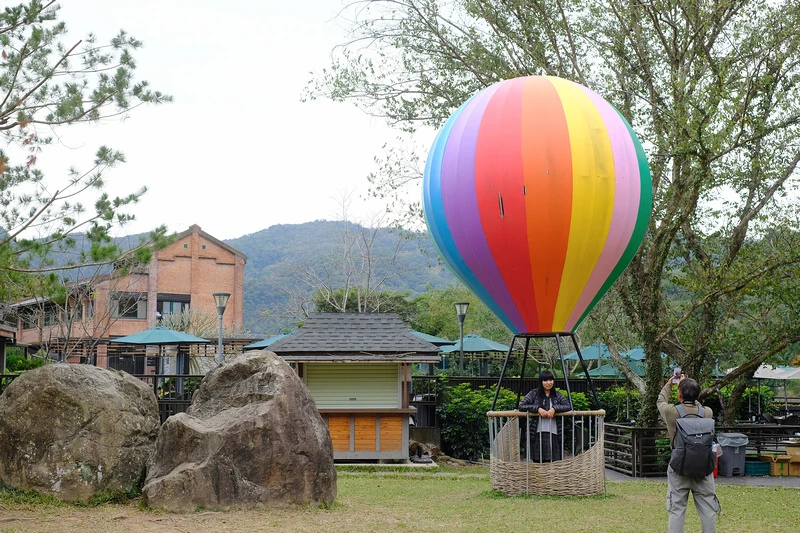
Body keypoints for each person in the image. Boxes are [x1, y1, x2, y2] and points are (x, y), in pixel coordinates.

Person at [657, 374, 721, 533]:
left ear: (679, 395)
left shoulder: (671, 412)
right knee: (708, 509)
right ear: (698, 395)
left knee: (677, 510)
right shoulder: (707, 412)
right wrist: (690, 389)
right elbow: (697, 406)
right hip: (704, 469)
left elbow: (660, 401)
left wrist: (670, 384)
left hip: (679, 468)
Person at [518, 370, 571, 462]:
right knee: (537, 461)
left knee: (554, 461)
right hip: (537, 432)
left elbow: (568, 406)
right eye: (545, 380)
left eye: (550, 380)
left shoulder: (557, 395)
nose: (548, 383)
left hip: (554, 432)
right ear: (541, 382)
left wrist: (554, 408)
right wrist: (537, 409)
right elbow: (521, 405)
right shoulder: (533, 393)